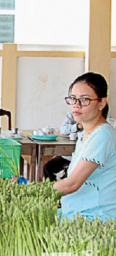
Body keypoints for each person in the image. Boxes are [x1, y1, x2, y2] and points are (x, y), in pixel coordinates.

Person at [54, 72, 116, 222]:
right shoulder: (85, 134)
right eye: (73, 99)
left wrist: (29, 191)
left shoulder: (103, 135)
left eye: (85, 99)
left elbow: (72, 184)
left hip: (95, 218)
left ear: (101, 103)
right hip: (76, 212)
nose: (77, 105)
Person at [43, 112, 81, 181]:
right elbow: (63, 130)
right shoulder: (72, 114)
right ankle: (51, 189)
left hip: (82, 158)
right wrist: (77, 126)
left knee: (70, 174)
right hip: (68, 155)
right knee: (47, 167)